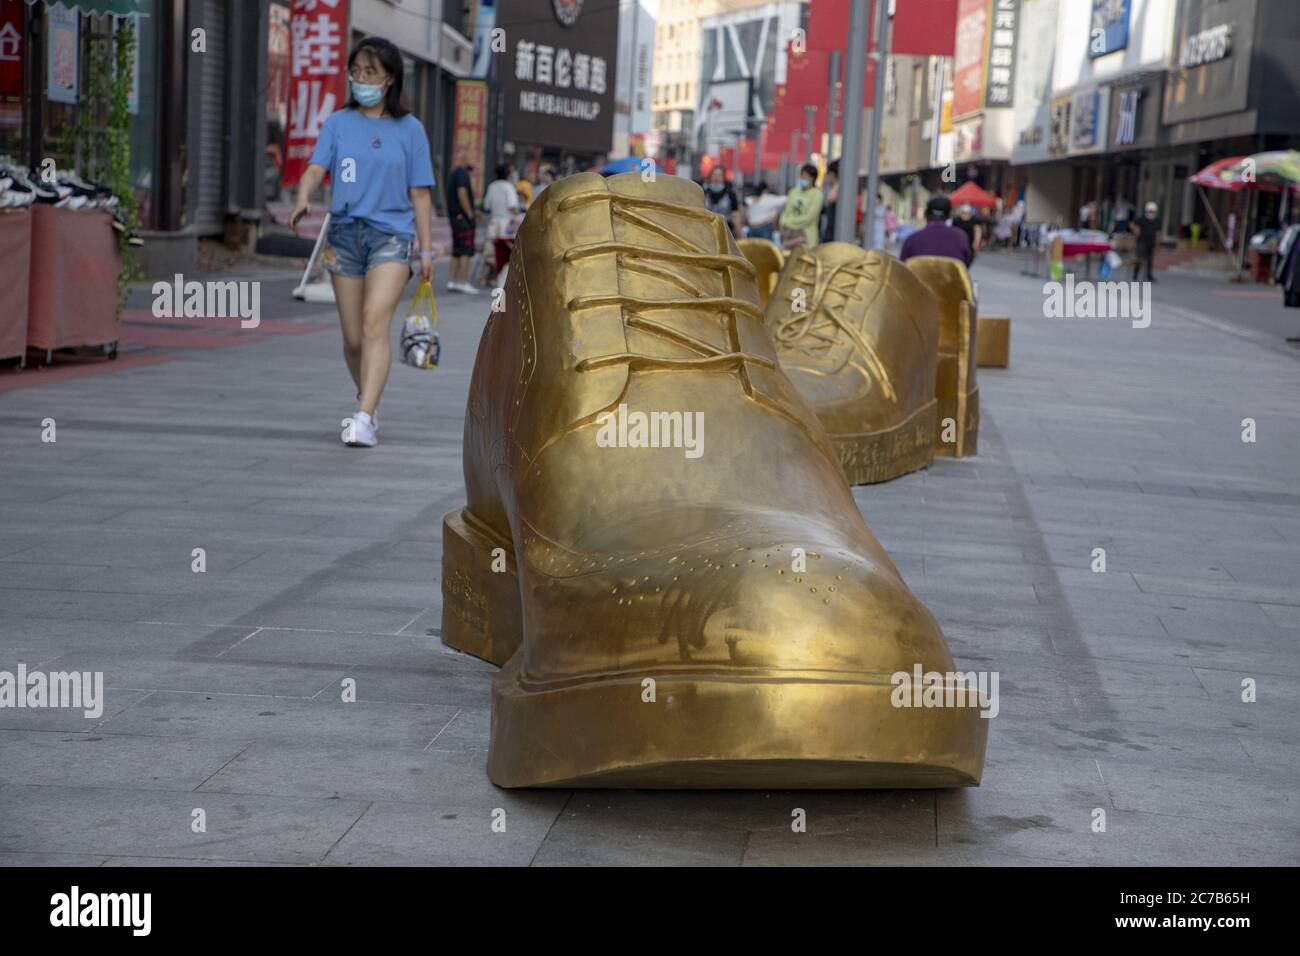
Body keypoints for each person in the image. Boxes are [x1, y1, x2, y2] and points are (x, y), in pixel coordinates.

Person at [290, 37, 438, 449]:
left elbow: (421, 194)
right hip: (345, 236)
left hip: (392, 236)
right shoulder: (338, 123)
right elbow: (317, 167)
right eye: (355, 71)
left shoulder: (411, 130)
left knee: (375, 322)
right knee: (353, 338)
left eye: (370, 72)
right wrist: (303, 196)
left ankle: (365, 416)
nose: (361, 79)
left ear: (389, 78)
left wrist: (426, 251)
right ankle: (367, 398)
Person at [899, 195, 972, 266]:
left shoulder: (911, 240)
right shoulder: (961, 238)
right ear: (949, 215)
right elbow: (965, 265)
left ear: (926, 214)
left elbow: (903, 269)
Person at [445, 156, 477, 293]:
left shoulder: (453, 173)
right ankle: (463, 282)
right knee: (465, 250)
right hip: (463, 218)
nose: (475, 163)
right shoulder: (462, 173)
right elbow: (462, 193)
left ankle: (452, 281)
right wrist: (470, 214)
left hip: (454, 217)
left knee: (456, 250)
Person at [780, 164, 824, 249]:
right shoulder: (793, 192)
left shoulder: (817, 195)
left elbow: (809, 217)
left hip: (806, 237)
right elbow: (786, 211)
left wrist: (788, 222)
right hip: (789, 235)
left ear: (812, 178)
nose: (803, 178)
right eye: (802, 175)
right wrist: (782, 221)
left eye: (806, 176)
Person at [704, 166, 743, 236]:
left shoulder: (730, 194)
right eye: (714, 175)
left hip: (725, 232)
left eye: (719, 175)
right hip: (707, 231)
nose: (716, 177)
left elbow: (735, 215)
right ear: (710, 176)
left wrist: (740, 234)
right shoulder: (704, 193)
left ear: (723, 178)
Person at [1130, 200, 1160, 282]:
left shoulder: (1156, 220)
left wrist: (1157, 243)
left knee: (1150, 260)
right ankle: (1135, 275)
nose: (1151, 213)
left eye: (1152, 211)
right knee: (1139, 259)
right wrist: (1136, 230)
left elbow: (1158, 232)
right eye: (1150, 211)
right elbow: (1132, 224)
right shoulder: (1142, 219)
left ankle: (1149, 276)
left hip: (1151, 241)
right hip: (1142, 241)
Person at [820, 161, 839, 243]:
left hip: (833, 233)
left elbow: (830, 198)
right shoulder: (834, 188)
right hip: (830, 232)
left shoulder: (838, 188)